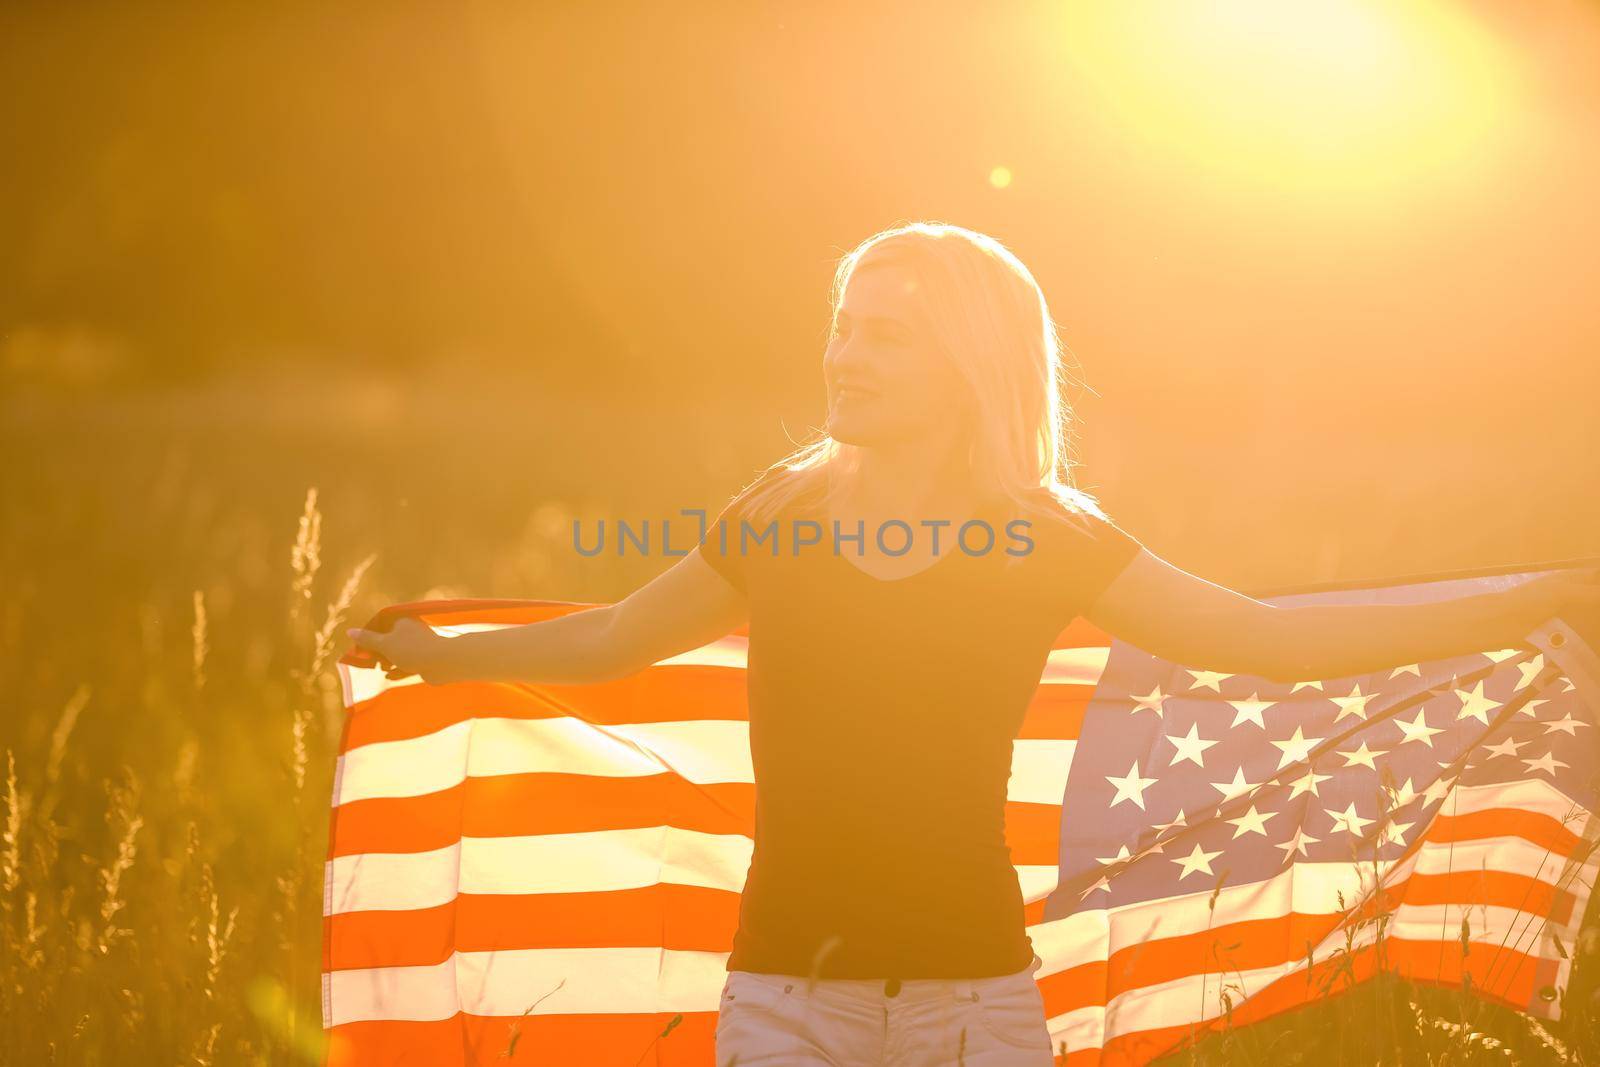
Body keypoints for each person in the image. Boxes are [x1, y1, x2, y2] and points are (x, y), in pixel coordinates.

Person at [348, 221, 1599, 1066]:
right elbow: (621, 636)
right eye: (843, 323)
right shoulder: (776, 517)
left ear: (967, 363)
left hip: (978, 1009)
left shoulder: (1041, 533)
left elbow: (1257, 636)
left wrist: (1538, 591)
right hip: (783, 1005)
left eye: (886, 333)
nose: (846, 353)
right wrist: (440, 652)